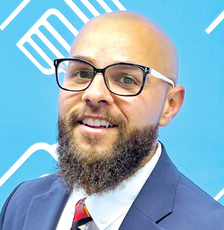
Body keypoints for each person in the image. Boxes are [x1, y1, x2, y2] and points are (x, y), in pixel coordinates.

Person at [1, 10, 224, 230]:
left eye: (126, 79)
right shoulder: (21, 203)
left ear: (170, 105)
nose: (94, 94)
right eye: (82, 74)